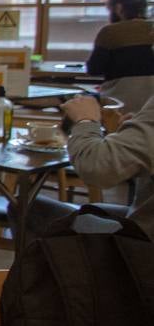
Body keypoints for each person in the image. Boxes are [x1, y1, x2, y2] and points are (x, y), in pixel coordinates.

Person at [15, 94, 154, 240]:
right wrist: (128, 139)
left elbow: (97, 168)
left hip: (143, 243)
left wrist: (85, 120)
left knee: (27, 209)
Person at [86, 0, 154, 113]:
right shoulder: (151, 28)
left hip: (119, 104)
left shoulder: (110, 32)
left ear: (118, 8)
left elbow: (94, 69)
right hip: (150, 108)